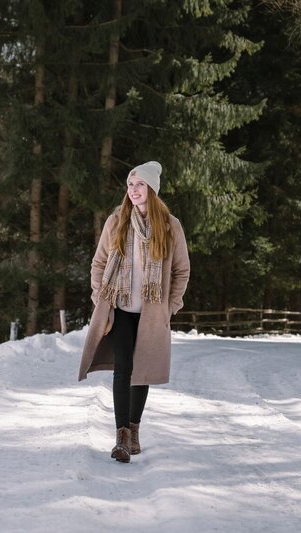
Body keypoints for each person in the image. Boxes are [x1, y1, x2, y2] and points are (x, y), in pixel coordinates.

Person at [78, 161, 190, 463]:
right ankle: (122, 437)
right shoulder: (117, 221)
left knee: (142, 371)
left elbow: (181, 270)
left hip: (152, 312)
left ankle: (135, 429)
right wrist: (101, 302)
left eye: (139, 185)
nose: (133, 190)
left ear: (151, 189)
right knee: (123, 368)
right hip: (121, 308)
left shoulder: (169, 225)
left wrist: (170, 307)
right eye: (130, 185)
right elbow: (99, 264)